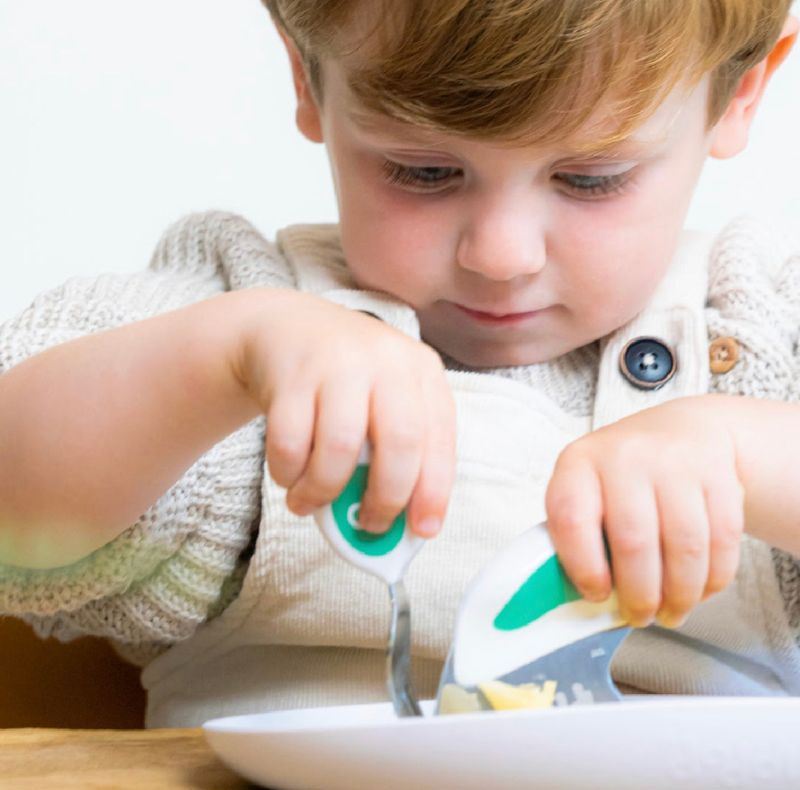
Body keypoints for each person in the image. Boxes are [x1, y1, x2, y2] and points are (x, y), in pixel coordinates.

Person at [0, 0, 798, 728]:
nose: (502, 256)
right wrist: (228, 357)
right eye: (423, 172)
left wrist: (745, 459)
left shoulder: (763, 326)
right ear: (308, 78)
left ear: (740, 96)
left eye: (590, 180)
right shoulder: (247, 331)